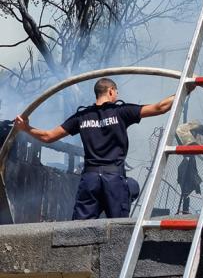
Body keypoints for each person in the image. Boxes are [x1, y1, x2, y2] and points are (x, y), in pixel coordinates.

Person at [13, 78, 184, 220]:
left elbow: (48, 136)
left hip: (90, 180)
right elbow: (160, 107)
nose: (117, 96)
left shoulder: (81, 116)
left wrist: (26, 128)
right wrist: (184, 91)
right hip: (114, 178)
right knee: (119, 230)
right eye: (116, 92)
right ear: (110, 91)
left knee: (79, 232)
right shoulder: (121, 111)